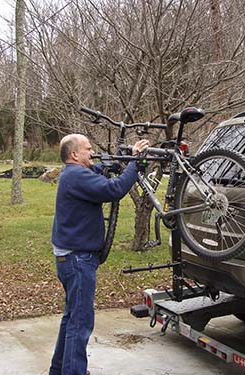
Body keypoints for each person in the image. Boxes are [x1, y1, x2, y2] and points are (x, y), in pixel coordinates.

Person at [49, 134, 149, 375]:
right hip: (77, 259)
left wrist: (114, 165)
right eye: (88, 148)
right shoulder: (76, 176)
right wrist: (134, 163)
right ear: (74, 154)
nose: (92, 152)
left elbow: (97, 170)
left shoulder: (74, 174)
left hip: (70, 258)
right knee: (80, 323)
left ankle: (59, 370)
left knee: (71, 318)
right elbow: (113, 189)